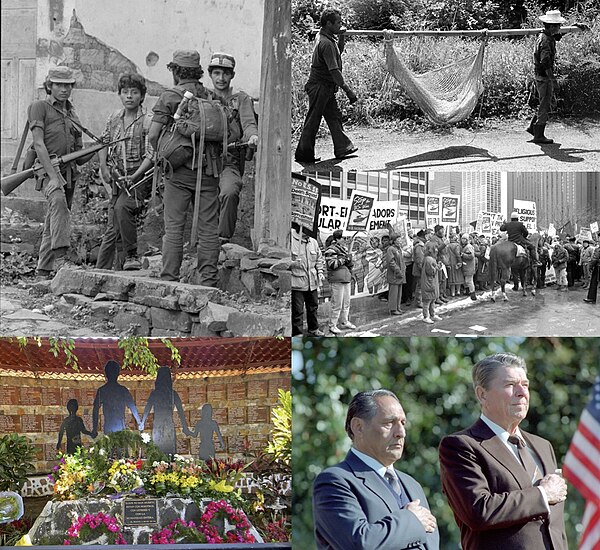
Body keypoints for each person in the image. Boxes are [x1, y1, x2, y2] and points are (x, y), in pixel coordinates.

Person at [439, 353, 568, 550]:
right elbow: (479, 510)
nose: (521, 392)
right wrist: (542, 494)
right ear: (482, 394)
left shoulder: (543, 446)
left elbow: (555, 526)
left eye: (525, 384)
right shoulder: (461, 446)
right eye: (510, 385)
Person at [313, 390, 439, 550]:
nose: (401, 433)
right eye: (389, 423)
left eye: (403, 423)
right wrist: (411, 520)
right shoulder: (335, 481)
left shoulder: (412, 485)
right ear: (358, 427)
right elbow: (360, 543)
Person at [148, 50, 220, 286]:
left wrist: (160, 152)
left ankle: (170, 279)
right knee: (209, 228)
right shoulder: (209, 95)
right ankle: (208, 282)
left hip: (178, 171)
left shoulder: (170, 96)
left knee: (174, 227)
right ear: (198, 72)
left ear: (175, 71)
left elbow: (153, 134)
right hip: (209, 169)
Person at [28, 67, 95, 279]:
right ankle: (61, 258)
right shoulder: (39, 107)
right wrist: (54, 177)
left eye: (68, 85)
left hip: (69, 172)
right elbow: (39, 144)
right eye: (59, 84)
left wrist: (97, 148)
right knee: (58, 204)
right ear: (50, 85)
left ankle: (43, 270)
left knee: (54, 218)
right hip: (47, 170)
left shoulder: (72, 114)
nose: (64, 89)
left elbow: (78, 155)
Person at [96, 74, 154, 271]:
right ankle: (103, 269)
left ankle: (131, 255)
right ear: (120, 95)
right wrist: (104, 167)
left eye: (134, 92)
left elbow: (151, 155)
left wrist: (135, 175)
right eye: (125, 92)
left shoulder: (147, 121)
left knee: (122, 208)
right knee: (113, 226)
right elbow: (103, 142)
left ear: (142, 96)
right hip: (118, 177)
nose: (129, 96)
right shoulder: (114, 118)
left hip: (140, 177)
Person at [294, 8, 358, 164]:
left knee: (334, 116)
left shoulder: (324, 36)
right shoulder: (326, 43)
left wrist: (341, 36)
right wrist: (348, 91)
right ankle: (304, 154)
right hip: (319, 87)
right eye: (338, 23)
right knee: (313, 121)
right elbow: (334, 71)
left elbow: (337, 54)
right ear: (328, 23)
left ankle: (343, 148)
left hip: (325, 87)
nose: (340, 25)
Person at [207, 52, 259, 242]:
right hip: (204, 159)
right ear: (210, 74)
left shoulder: (241, 99)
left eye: (226, 74)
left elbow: (248, 123)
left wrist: (253, 136)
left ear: (232, 75)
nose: (221, 78)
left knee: (230, 191)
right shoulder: (203, 97)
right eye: (217, 73)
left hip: (229, 159)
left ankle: (222, 239)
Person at [527, 10, 566, 144]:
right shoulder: (545, 41)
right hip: (544, 77)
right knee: (545, 104)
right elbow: (545, 62)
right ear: (551, 26)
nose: (559, 28)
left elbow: (557, 36)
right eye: (558, 26)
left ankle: (533, 128)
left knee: (543, 102)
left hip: (540, 76)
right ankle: (538, 135)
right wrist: (552, 79)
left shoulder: (544, 36)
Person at [140, 366, 189, 455]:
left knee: (158, 452)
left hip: (158, 425)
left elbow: (147, 408)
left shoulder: (156, 393)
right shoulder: (173, 394)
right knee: (168, 452)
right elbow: (181, 412)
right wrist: (185, 427)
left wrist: (142, 422)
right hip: (168, 425)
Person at [291, 223, 325, 336]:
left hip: (312, 282)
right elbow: (283, 261)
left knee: (313, 307)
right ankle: (298, 333)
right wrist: (293, 263)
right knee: (297, 310)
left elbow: (319, 259)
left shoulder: (313, 242)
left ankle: (314, 329)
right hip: (297, 282)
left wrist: (320, 272)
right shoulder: (290, 240)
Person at [91, 360, 141, 437]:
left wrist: (95, 429)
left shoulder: (102, 390)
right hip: (119, 428)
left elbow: (95, 409)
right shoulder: (123, 390)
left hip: (110, 428)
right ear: (118, 373)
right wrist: (139, 423)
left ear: (106, 374)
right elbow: (132, 407)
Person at [325, 229, 356, 334]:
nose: (345, 239)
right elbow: (332, 264)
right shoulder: (331, 249)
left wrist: (349, 260)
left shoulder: (344, 249)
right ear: (337, 239)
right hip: (337, 279)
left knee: (346, 302)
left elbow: (349, 263)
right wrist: (344, 259)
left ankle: (344, 321)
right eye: (343, 237)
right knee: (336, 304)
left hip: (346, 278)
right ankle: (332, 325)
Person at [421, 241, 442, 324]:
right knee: (427, 301)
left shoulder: (430, 259)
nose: (436, 251)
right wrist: (437, 267)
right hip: (428, 282)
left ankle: (432, 315)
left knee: (432, 300)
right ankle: (426, 316)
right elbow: (430, 271)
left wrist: (437, 267)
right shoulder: (428, 260)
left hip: (431, 282)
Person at [386, 234, 405, 315]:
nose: (400, 241)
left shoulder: (399, 249)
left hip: (400, 275)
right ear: (394, 241)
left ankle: (398, 307)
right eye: (398, 239)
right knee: (394, 292)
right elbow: (391, 262)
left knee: (399, 292)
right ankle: (393, 309)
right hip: (394, 274)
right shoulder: (391, 249)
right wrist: (398, 270)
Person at [411, 229, 426, 307]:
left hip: (420, 268)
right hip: (419, 269)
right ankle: (419, 301)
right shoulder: (419, 246)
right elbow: (419, 259)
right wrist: (422, 269)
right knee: (420, 285)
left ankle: (419, 300)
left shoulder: (420, 245)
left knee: (420, 285)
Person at [460, 235, 477, 301]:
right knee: (467, 280)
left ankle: (473, 295)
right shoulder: (465, 246)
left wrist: (463, 255)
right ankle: (468, 292)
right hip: (467, 266)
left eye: (464, 239)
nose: (463, 240)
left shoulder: (468, 247)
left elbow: (471, 256)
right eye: (462, 239)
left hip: (469, 266)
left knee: (469, 281)